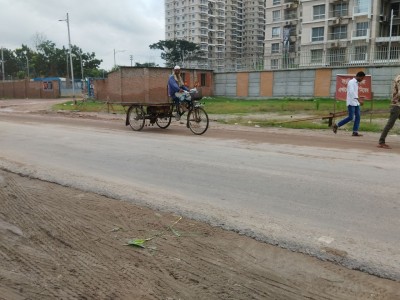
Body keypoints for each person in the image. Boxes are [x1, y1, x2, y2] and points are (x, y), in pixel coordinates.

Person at [332, 71, 366, 136]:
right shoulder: (351, 82)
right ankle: (336, 125)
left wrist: (358, 100)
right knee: (350, 117)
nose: (362, 80)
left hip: (356, 103)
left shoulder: (356, 83)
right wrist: (359, 99)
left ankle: (355, 132)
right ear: (358, 76)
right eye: (362, 78)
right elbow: (351, 92)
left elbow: (355, 93)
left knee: (358, 117)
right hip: (351, 102)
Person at [377, 74, 400, 149]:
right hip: (397, 105)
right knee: (390, 124)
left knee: (390, 124)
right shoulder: (399, 78)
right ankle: (381, 142)